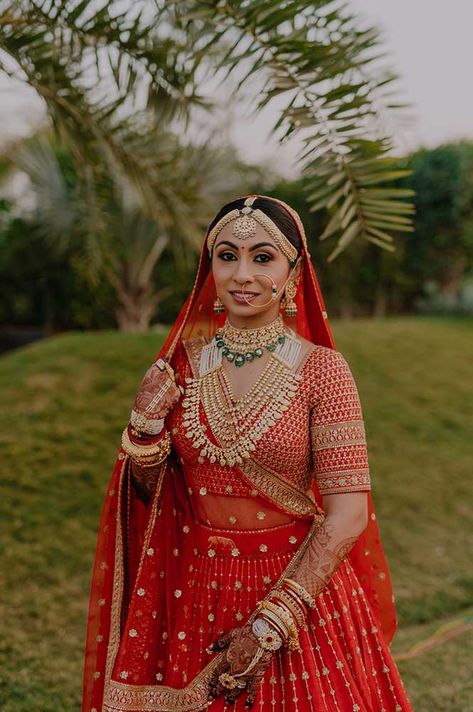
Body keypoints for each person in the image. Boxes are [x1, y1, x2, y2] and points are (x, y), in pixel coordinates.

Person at [82, 195, 413, 711]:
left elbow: (348, 515)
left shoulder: (322, 372)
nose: (242, 274)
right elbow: (156, 501)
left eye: (262, 257)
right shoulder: (183, 367)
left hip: (296, 597)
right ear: (209, 267)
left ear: (293, 270)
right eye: (227, 255)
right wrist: (143, 429)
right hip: (195, 590)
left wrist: (268, 626)